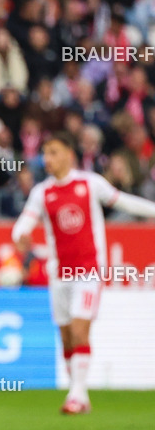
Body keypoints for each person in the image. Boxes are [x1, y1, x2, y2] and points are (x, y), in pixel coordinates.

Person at [12, 134, 155, 415]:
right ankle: (79, 392)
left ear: (68, 154)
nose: (47, 159)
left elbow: (123, 201)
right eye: (45, 153)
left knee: (80, 329)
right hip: (59, 272)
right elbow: (23, 223)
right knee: (66, 336)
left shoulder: (90, 183)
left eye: (53, 152)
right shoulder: (42, 192)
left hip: (87, 269)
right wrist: (20, 236)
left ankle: (76, 395)